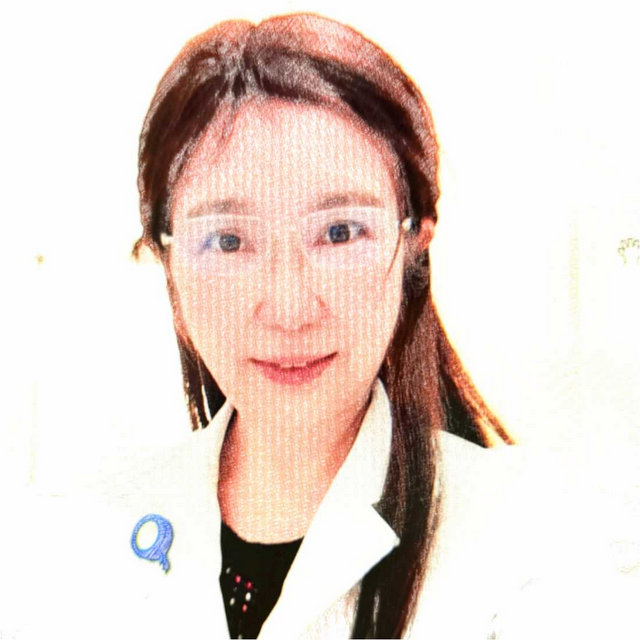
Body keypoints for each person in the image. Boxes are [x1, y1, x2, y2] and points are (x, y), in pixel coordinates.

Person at [2, 12, 631, 640]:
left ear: (413, 246)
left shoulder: (538, 538)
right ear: (167, 262)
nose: (289, 308)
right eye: (228, 241)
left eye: (340, 232)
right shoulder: (66, 540)